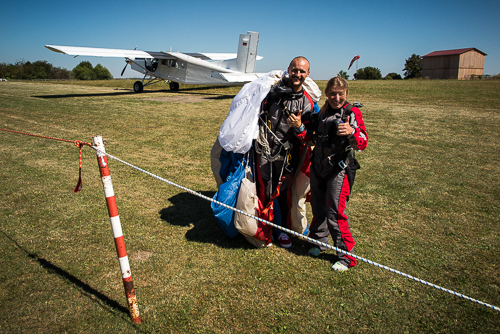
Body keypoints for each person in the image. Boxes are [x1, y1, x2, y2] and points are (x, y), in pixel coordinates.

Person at [288, 76, 368, 271]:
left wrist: (351, 132)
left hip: (338, 170)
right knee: (318, 207)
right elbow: (309, 137)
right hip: (318, 167)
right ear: (327, 94)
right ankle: (317, 242)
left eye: (340, 94)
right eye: (332, 93)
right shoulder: (321, 113)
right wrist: (299, 126)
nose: (336, 97)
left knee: (335, 212)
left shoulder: (351, 112)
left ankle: (346, 256)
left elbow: (363, 142)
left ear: (346, 94)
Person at [255, 57, 315, 248]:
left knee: (280, 193)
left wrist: (298, 127)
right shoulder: (272, 92)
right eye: (295, 70)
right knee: (264, 189)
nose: (297, 74)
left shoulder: (306, 103)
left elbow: (308, 137)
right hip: (264, 149)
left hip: (287, 156)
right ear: (288, 69)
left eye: (302, 71)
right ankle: (263, 227)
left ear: (308, 74)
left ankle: (280, 230)